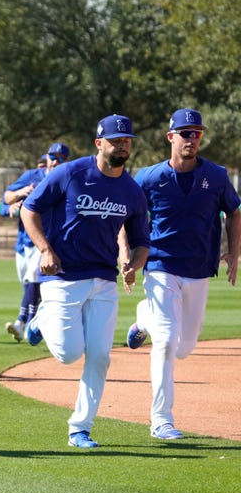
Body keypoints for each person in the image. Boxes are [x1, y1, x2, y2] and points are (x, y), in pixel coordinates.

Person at [20, 114, 150, 449]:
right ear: (99, 143)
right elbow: (28, 210)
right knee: (68, 354)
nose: (123, 146)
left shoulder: (132, 190)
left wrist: (134, 264)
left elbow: (142, 242)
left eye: (127, 141)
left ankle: (80, 428)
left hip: (104, 279)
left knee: (100, 357)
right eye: (116, 140)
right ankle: (42, 318)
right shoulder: (70, 173)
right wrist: (45, 249)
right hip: (63, 276)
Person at [124, 108, 240, 440]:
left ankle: (143, 318)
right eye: (185, 133)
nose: (191, 139)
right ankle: (161, 420)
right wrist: (127, 254)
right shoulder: (148, 177)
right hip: (160, 266)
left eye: (196, 134)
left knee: (184, 347)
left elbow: (234, 212)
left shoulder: (216, 176)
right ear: (170, 137)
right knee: (164, 343)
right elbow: (127, 214)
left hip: (199, 269)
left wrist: (234, 253)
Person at [3, 143, 69, 342]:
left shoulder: (65, 179)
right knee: (28, 284)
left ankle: (23, 321)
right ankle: (36, 322)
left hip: (45, 240)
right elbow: (6, 198)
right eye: (52, 156)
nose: (55, 160)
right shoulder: (32, 176)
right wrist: (20, 194)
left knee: (33, 277)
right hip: (23, 242)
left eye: (60, 157)